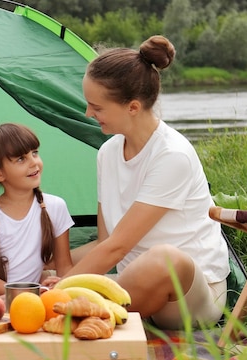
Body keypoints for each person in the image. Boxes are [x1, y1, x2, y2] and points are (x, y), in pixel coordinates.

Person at [66, 35, 230, 330]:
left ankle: (65, 310)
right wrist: (49, 264)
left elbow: (117, 247)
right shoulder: (108, 153)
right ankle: (73, 310)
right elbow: (104, 243)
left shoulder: (172, 155)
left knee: (164, 260)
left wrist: (61, 290)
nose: (88, 114)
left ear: (132, 107)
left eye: (97, 107)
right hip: (133, 290)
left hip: (189, 297)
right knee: (51, 270)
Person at [0, 123, 74, 296]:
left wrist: (60, 284)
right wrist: (18, 294)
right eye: (21, 159)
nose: (34, 163)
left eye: (35, 153)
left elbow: (65, 266)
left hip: (27, 294)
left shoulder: (56, 207)